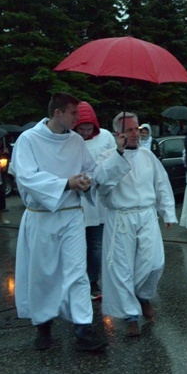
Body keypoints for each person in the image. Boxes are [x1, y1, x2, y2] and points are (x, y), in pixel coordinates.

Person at [12, 92, 107, 351]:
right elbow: (27, 177)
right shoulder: (28, 140)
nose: (78, 119)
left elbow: (88, 170)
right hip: (42, 217)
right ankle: (43, 326)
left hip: (72, 215)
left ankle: (83, 329)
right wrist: (66, 183)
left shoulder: (76, 141)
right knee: (44, 274)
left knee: (78, 273)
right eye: (73, 113)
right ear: (57, 113)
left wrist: (87, 182)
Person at [93, 111, 177, 337]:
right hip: (121, 218)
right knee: (122, 268)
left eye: (136, 129)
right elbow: (101, 182)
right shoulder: (106, 157)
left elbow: (161, 184)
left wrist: (167, 212)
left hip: (147, 215)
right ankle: (130, 315)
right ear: (117, 133)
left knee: (154, 263)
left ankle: (142, 296)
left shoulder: (148, 156)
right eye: (129, 129)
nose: (134, 134)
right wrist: (119, 154)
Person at [73, 101, 117, 300]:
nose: (84, 132)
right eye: (81, 128)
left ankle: (92, 281)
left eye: (88, 128)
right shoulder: (69, 139)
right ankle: (76, 281)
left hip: (98, 201)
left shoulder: (105, 137)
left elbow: (114, 161)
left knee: (96, 244)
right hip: (76, 200)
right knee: (76, 244)